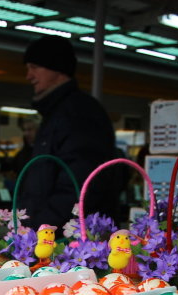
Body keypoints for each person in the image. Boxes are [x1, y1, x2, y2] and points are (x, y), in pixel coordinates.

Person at [20, 35, 119, 229]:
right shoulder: (57, 113)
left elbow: (79, 185)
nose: (28, 76)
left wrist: (42, 229)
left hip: (68, 242)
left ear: (57, 67)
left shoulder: (78, 113)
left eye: (34, 67)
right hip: (50, 236)